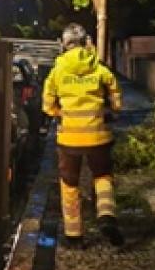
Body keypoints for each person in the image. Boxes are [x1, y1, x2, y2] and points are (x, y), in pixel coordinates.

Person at [42, 23, 123, 248]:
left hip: (69, 140)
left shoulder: (57, 71)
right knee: (103, 176)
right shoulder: (98, 67)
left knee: (70, 185)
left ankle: (74, 235)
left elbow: (47, 105)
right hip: (98, 136)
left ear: (64, 44)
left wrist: (61, 114)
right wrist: (113, 111)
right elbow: (115, 92)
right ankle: (106, 216)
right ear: (86, 42)